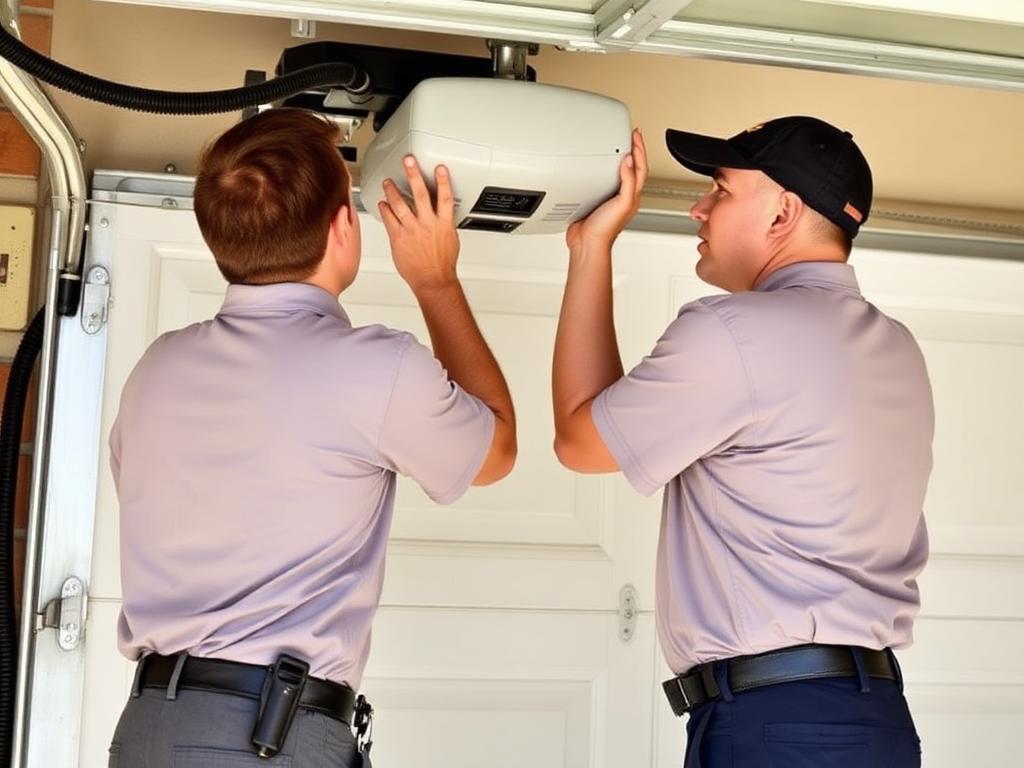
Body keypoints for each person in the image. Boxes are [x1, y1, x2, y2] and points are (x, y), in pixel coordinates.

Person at [106, 107, 516, 767]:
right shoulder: (374, 370)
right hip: (262, 733)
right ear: (344, 226)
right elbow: (494, 452)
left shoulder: (157, 369)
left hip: (149, 726)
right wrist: (436, 282)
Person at [552, 118, 931, 767]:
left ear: (783, 211)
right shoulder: (897, 346)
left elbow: (582, 441)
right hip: (876, 720)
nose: (698, 208)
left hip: (776, 722)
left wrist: (592, 251)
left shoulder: (734, 332)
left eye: (721, 189)